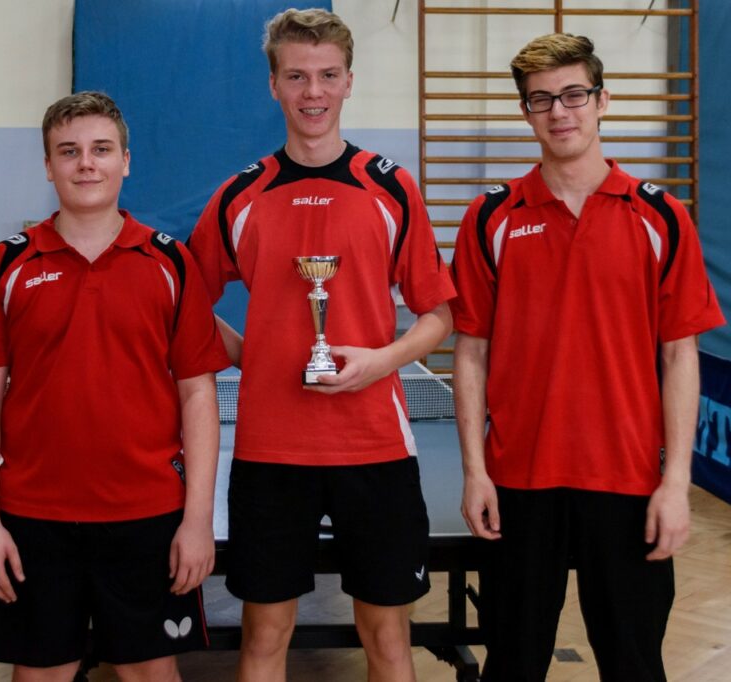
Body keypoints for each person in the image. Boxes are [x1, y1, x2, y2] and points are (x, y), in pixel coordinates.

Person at [187, 9, 455, 682]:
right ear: (273, 84)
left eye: (328, 75)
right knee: (264, 638)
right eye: (298, 76)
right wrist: (257, 354)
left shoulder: (392, 188)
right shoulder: (239, 197)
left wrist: (382, 362)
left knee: (388, 639)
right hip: (269, 451)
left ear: (348, 81)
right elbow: (184, 306)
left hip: (377, 447)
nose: (314, 92)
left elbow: (438, 316)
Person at [450, 33, 726, 681]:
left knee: (633, 664)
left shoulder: (660, 216)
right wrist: (474, 472)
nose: (560, 111)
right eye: (541, 99)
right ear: (526, 113)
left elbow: (681, 356)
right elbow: (471, 353)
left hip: (628, 482)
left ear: (603, 101)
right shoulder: (491, 216)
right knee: (513, 664)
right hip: (518, 483)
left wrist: (675, 482)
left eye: (574, 94)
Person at [0, 91, 229, 682]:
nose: (87, 163)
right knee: (41, 675)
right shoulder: (5, 265)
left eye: (101, 149)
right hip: (32, 515)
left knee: (150, 673)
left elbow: (198, 394)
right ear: (48, 164)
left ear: (126, 161)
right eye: (69, 151)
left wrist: (196, 519)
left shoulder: (170, 262)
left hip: (147, 513)